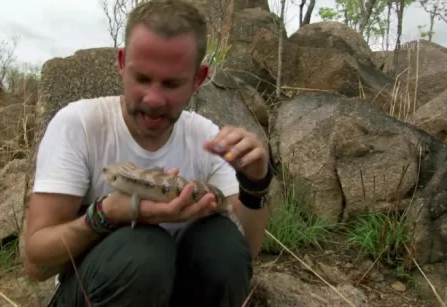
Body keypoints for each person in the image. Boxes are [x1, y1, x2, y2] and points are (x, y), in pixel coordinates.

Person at [23, 0, 273, 306]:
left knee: (221, 245)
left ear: (199, 78)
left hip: (168, 295)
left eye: (171, 83)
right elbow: (36, 263)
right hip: (93, 293)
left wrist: (255, 183)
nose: (153, 99)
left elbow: (245, 250)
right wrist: (106, 214)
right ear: (121, 62)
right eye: (142, 78)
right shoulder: (79, 125)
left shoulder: (207, 138)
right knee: (142, 250)